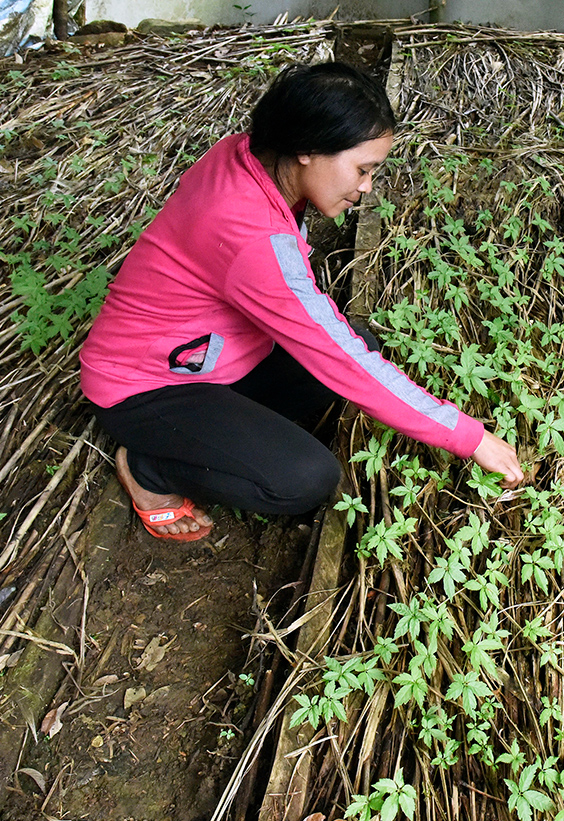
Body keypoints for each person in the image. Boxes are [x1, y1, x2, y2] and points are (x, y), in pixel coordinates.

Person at [79, 62, 523, 542]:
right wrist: (469, 436)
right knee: (304, 480)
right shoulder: (249, 235)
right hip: (145, 388)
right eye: (363, 168)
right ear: (307, 149)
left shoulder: (247, 155)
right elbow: (335, 354)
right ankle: (150, 469)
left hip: (210, 357)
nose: (367, 186)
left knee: (362, 343)